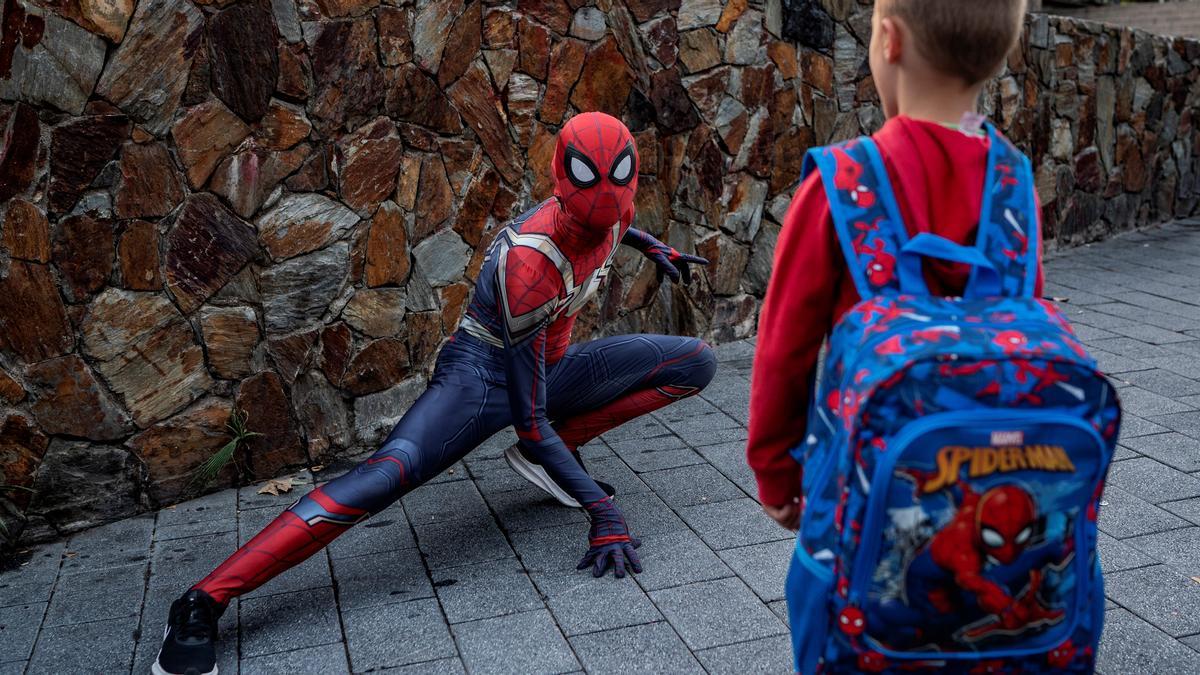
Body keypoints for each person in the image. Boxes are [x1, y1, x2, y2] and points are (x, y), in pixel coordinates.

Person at [153, 112, 716, 675]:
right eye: (597, 208)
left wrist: (651, 245)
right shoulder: (529, 262)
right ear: (562, 185)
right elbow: (528, 417)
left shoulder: (613, 206)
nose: (609, 222)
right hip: (481, 377)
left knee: (695, 364)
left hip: (551, 366)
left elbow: (612, 232)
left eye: (617, 206)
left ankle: (556, 454)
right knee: (386, 475)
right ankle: (202, 601)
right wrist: (603, 511)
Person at [747, 0, 1043, 532]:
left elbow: (783, 350)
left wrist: (778, 475)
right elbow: (1024, 320)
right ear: (997, 55)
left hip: (864, 500)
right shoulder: (1014, 184)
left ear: (890, 41)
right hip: (987, 494)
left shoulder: (840, 185)